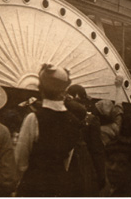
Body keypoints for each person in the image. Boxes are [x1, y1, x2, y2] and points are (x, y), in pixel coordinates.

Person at [15, 64, 81, 197]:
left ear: (41, 89)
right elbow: (67, 160)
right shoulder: (73, 121)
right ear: (64, 90)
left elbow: (20, 158)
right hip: (59, 186)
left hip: (33, 184)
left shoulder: (34, 118)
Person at [65, 85, 106, 195]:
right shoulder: (91, 120)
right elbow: (97, 151)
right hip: (83, 166)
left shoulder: (61, 116)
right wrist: (101, 175)